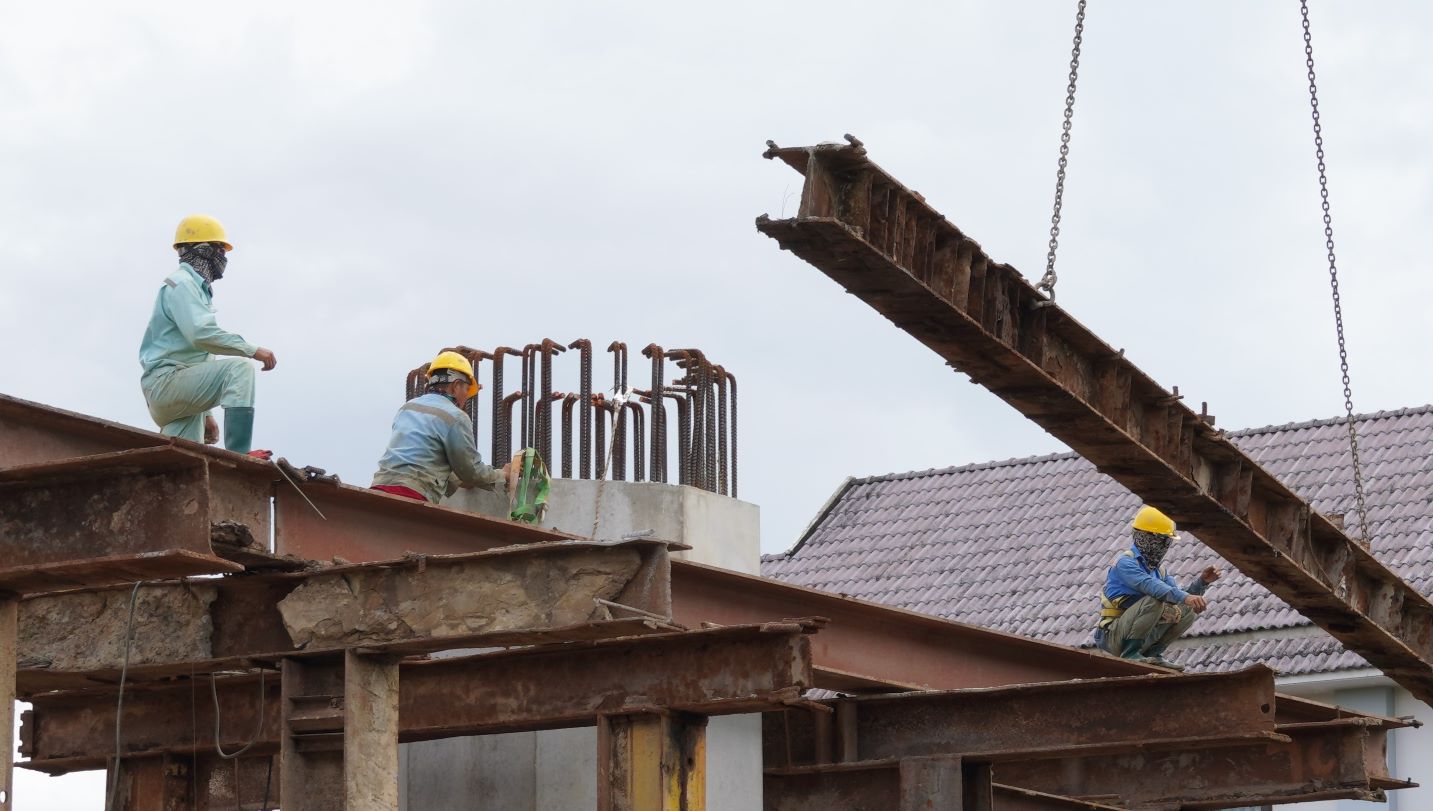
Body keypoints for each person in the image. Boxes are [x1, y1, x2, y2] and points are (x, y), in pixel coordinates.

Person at [139, 215, 277, 454]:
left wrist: (205, 412)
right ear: (203, 250)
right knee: (239, 370)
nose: (223, 259)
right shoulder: (182, 284)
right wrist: (252, 349)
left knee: (186, 457)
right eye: (220, 250)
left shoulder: (193, 287)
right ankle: (240, 455)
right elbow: (202, 335)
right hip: (166, 383)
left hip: (170, 389)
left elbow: (198, 355)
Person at [1093, 505, 1222, 669]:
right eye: (1161, 541)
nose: (1164, 547)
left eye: (1167, 542)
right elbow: (1151, 587)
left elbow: (1179, 599)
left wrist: (1202, 583)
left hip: (1140, 634)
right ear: (1144, 537)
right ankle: (1130, 653)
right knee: (1155, 599)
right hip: (1112, 636)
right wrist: (1185, 597)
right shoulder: (1125, 563)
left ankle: (1153, 653)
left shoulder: (1159, 571)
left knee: (1187, 610)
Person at [371, 350, 507, 502]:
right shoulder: (455, 417)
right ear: (456, 385)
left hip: (379, 487)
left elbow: (421, 457)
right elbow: (471, 471)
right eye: (466, 390)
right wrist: (503, 475)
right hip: (413, 493)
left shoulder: (407, 408)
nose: (466, 398)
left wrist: (458, 479)